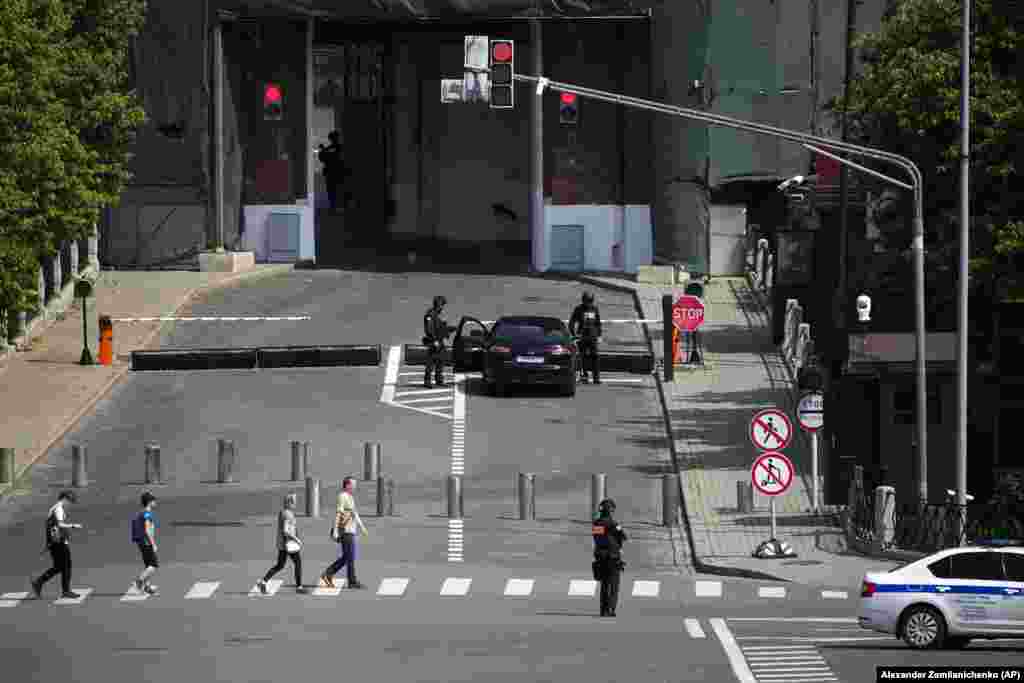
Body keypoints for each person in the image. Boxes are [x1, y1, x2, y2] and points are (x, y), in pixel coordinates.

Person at [31, 491, 83, 599]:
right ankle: (65, 591)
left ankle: (39, 582)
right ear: (64, 498)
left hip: (55, 541)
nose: (70, 504)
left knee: (59, 566)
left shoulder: (56, 508)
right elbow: (60, 524)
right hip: (58, 542)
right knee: (66, 565)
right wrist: (73, 526)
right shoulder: (58, 509)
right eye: (70, 501)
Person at [320, 477, 368, 589]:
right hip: (345, 531)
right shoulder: (342, 496)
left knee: (348, 557)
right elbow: (338, 513)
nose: (355, 486)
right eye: (353, 484)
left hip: (351, 530)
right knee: (349, 557)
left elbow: (354, 513)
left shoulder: (350, 497)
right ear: (347, 485)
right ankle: (351, 581)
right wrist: (336, 530)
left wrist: (362, 527)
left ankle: (329, 574)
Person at [258, 493, 308, 594]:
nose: (295, 503)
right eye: (294, 501)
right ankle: (299, 587)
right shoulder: (288, 514)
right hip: (288, 544)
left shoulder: (283, 512)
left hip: (282, 544)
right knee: (297, 563)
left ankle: (263, 582)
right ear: (289, 502)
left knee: (280, 565)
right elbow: (286, 531)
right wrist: (297, 539)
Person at [591, 498, 627, 617]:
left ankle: (603, 609)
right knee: (614, 585)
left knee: (604, 584)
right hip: (613, 556)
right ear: (611, 511)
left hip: (601, 556)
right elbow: (623, 536)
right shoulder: (614, 524)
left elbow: (598, 538)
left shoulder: (596, 524)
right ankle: (611, 609)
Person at [131, 490, 160, 596]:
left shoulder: (142, 513)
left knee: (148, 565)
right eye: (154, 500)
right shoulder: (147, 514)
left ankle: (147, 586)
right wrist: (153, 544)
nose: (155, 502)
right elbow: (148, 530)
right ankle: (139, 581)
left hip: (142, 542)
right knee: (153, 565)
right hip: (146, 542)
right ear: (149, 502)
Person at [569, 291, 603, 384]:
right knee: (583, 357)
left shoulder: (595, 309)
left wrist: (599, 335)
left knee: (595, 357)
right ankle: (584, 377)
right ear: (583, 300)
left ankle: (596, 378)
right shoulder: (578, 309)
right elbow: (572, 322)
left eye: (590, 301)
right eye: (587, 301)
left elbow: (598, 323)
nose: (588, 303)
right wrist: (574, 334)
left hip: (593, 336)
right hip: (582, 337)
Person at [423, 295, 456, 389]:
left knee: (441, 361)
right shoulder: (430, 315)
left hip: (440, 341)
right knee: (431, 362)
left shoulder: (437, 315)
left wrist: (451, 329)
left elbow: (441, 328)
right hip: (434, 341)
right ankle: (427, 381)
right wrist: (434, 341)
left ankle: (439, 380)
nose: (443, 308)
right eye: (442, 305)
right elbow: (429, 329)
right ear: (439, 305)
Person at [318, 131, 345, 211]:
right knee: (333, 190)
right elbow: (323, 157)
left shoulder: (334, 148)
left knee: (333, 190)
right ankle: (335, 206)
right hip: (335, 172)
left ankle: (335, 206)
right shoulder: (337, 148)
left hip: (334, 172)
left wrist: (323, 150)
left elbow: (324, 158)